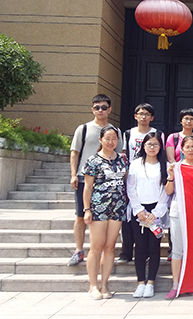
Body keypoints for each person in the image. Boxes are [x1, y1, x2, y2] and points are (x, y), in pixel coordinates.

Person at [68, 94, 122, 267]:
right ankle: (78, 250)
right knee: (81, 215)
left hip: (107, 181)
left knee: (105, 218)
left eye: (104, 107)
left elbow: (120, 155)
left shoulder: (115, 131)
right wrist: (73, 174)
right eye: (97, 107)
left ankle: (102, 248)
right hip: (85, 178)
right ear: (92, 109)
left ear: (110, 109)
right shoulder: (84, 129)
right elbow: (75, 152)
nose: (100, 110)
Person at [82, 125, 127, 299]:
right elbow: (87, 187)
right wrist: (87, 209)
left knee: (110, 246)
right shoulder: (93, 160)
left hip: (118, 207)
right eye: (107, 138)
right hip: (98, 208)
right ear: (100, 140)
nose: (111, 142)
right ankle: (93, 285)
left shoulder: (122, 159)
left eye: (114, 139)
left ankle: (104, 284)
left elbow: (125, 181)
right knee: (96, 246)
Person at [165, 135, 193, 300]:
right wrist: (170, 176)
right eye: (187, 147)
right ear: (182, 150)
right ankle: (176, 285)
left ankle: (192, 283)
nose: (190, 150)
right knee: (177, 249)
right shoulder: (176, 167)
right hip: (179, 210)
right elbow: (169, 191)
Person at [118, 103, 164, 263]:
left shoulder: (157, 133)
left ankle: (147, 252)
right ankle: (126, 251)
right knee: (129, 216)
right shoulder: (129, 133)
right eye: (140, 113)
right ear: (135, 116)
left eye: (147, 114)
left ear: (152, 117)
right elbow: (124, 153)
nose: (143, 117)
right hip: (133, 174)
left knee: (150, 217)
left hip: (151, 174)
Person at [126, 133, 168, 298]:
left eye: (155, 144)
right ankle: (140, 282)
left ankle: (151, 282)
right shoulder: (136, 164)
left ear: (160, 147)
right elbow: (131, 187)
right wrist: (138, 209)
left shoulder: (165, 165)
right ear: (143, 146)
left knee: (154, 246)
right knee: (140, 246)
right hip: (139, 210)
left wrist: (156, 213)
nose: (152, 147)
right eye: (149, 144)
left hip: (156, 210)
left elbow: (166, 191)